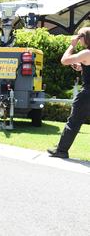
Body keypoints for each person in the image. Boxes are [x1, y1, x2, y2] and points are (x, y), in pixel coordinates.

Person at [48, 27, 90, 159]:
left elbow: (64, 60)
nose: (78, 39)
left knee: (74, 122)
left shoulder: (86, 53)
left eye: (79, 36)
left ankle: (61, 150)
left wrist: (72, 46)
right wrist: (81, 67)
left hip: (87, 94)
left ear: (84, 38)